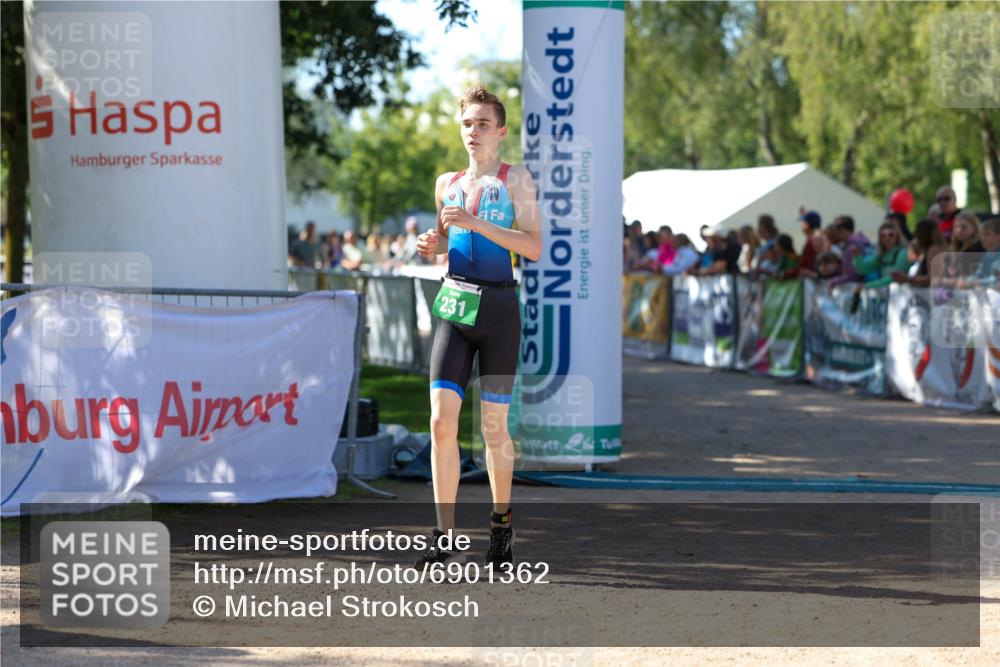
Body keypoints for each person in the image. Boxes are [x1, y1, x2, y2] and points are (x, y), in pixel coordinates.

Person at [414, 85, 541, 568]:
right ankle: (443, 539)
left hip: (499, 312)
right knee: (440, 422)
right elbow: (447, 236)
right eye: (467, 123)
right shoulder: (447, 181)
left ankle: (500, 528)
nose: (474, 132)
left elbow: (531, 247)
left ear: (501, 131)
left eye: (483, 124)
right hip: (454, 306)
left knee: (493, 428)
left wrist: (475, 221)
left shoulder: (516, 180)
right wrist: (433, 242)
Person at [852, 221, 909, 287]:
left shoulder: (903, 253)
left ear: (897, 236)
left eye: (891, 235)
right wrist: (857, 257)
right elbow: (864, 269)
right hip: (886, 290)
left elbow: (894, 278)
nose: (887, 238)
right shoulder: (881, 254)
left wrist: (868, 285)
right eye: (883, 235)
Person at [892, 219, 947, 287]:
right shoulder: (927, 250)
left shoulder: (934, 250)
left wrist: (907, 279)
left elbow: (934, 278)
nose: (916, 234)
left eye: (918, 231)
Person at [957, 216, 1000, 288]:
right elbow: (979, 274)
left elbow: (996, 279)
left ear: (998, 236)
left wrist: (975, 283)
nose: (983, 238)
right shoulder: (987, 255)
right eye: (981, 234)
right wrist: (967, 280)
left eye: (987, 234)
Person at [828, 216, 873, 285]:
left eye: (836, 229)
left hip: (857, 287)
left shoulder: (852, 247)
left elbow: (852, 276)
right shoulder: (860, 241)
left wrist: (834, 281)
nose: (834, 233)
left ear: (843, 230)